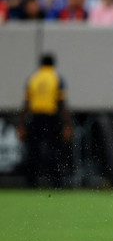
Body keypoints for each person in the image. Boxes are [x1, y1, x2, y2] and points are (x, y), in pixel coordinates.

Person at [17, 53, 73, 188]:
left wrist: (22, 125)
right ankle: (56, 182)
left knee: (33, 151)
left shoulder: (33, 78)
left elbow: (26, 104)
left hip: (35, 118)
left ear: (40, 63)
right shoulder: (57, 78)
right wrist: (67, 124)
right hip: (51, 118)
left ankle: (31, 182)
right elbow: (62, 104)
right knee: (54, 150)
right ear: (54, 63)